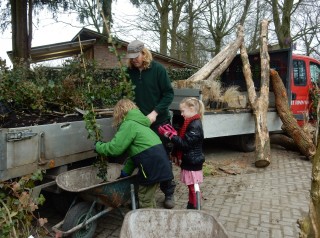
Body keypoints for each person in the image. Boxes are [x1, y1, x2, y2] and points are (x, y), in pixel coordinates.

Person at [94, 99, 173, 208]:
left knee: (144, 197)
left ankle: (148, 223)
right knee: (148, 197)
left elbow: (115, 148)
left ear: (120, 112)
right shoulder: (141, 124)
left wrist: (98, 146)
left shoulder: (128, 124)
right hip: (160, 164)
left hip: (151, 166)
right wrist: (125, 173)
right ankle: (155, 218)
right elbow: (136, 155)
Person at [125, 39, 176, 209]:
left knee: (162, 157)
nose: (134, 60)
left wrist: (155, 112)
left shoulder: (158, 70)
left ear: (144, 53)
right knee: (143, 157)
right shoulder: (129, 72)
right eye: (131, 57)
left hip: (159, 121)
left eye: (136, 56)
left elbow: (168, 94)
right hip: (140, 123)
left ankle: (168, 192)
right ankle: (147, 192)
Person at [158, 97, 205, 209]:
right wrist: (175, 134)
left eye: (183, 111)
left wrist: (170, 135)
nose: (182, 114)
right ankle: (192, 204)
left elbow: (185, 144)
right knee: (192, 186)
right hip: (191, 160)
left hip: (193, 162)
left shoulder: (194, 125)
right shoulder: (190, 123)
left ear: (192, 108)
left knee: (193, 187)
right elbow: (185, 140)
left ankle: (196, 207)